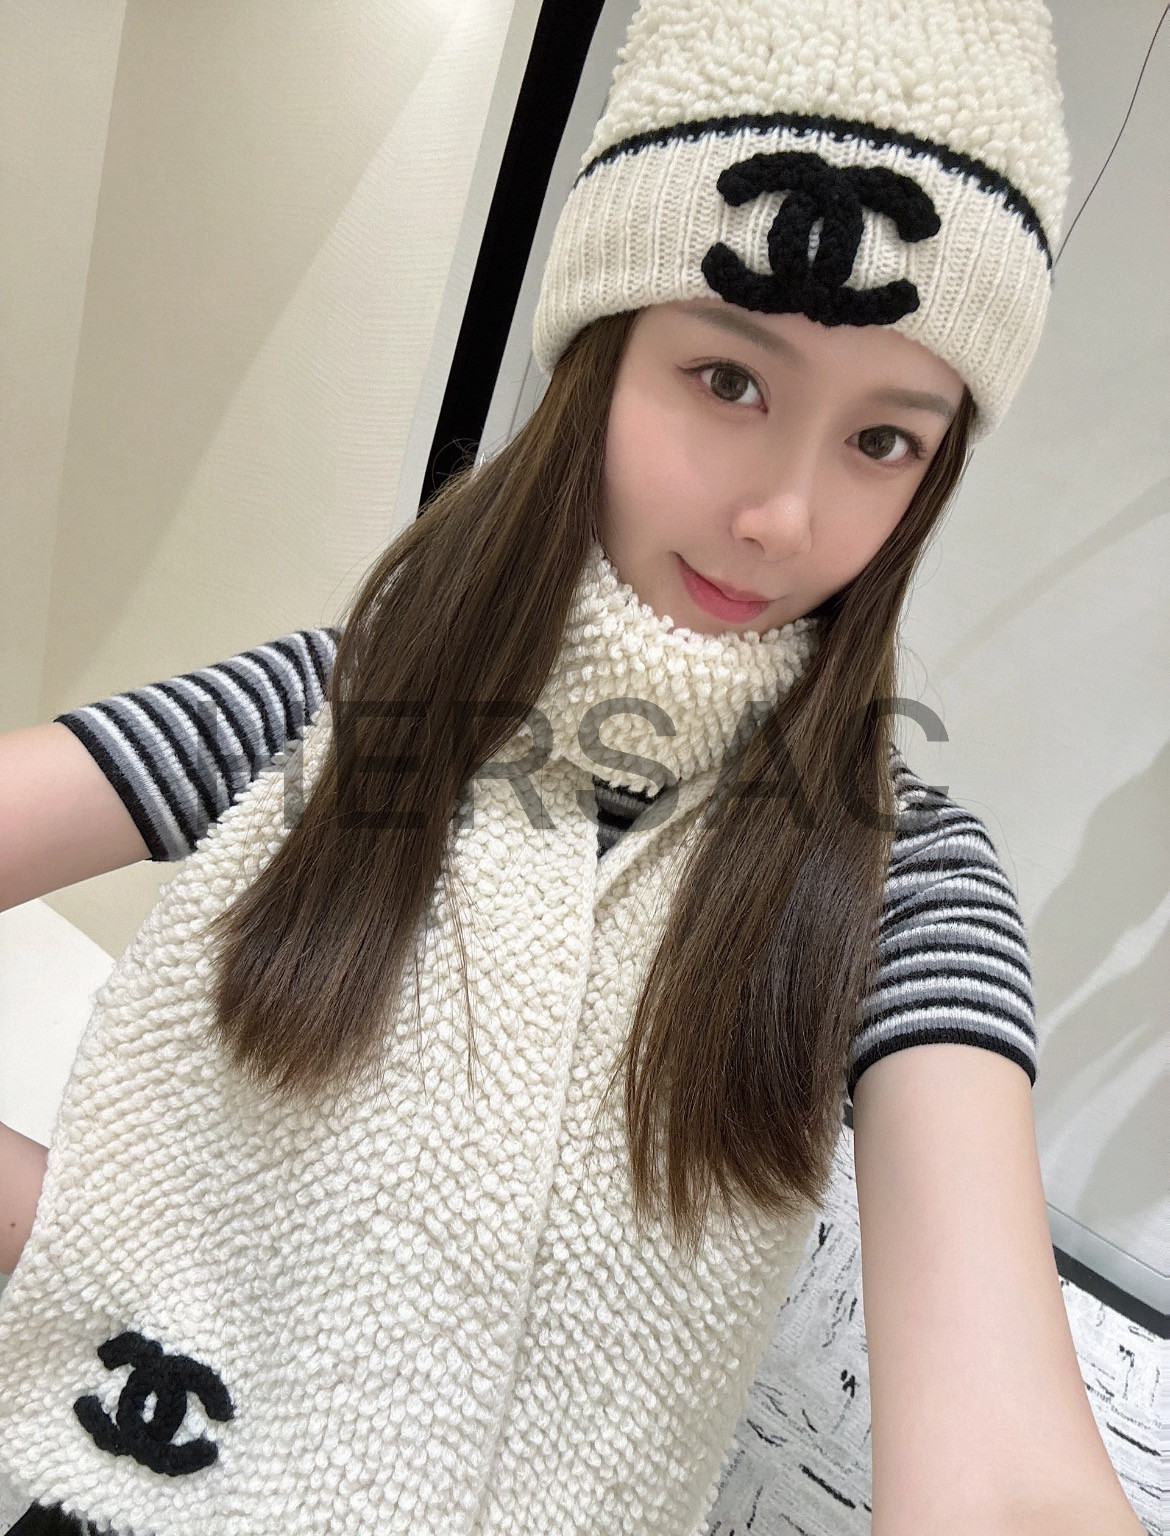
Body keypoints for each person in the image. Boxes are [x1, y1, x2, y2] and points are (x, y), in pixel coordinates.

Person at [0, 1, 1145, 1532]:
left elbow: (1002, 1468)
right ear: (596, 358)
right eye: (727, 380)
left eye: (883, 441)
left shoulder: (899, 878)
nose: (783, 516)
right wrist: (71, 1243)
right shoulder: (326, 714)